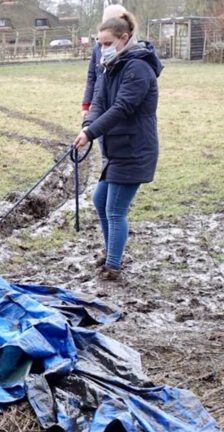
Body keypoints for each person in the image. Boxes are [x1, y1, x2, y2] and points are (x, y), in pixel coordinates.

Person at [73, 11, 163, 279]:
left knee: (115, 210)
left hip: (135, 148)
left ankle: (113, 265)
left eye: (107, 43)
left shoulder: (138, 68)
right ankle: (111, 252)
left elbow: (122, 108)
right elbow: (99, 100)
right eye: (100, 44)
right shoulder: (110, 66)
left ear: (124, 38)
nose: (102, 49)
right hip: (116, 148)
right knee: (100, 200)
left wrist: (91, 133)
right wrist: (87, 124)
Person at [81, 4, 128, 118]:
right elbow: (92, 76)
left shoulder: (133, 53)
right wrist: (86, 104)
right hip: (100, 103)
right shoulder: (98, 48)